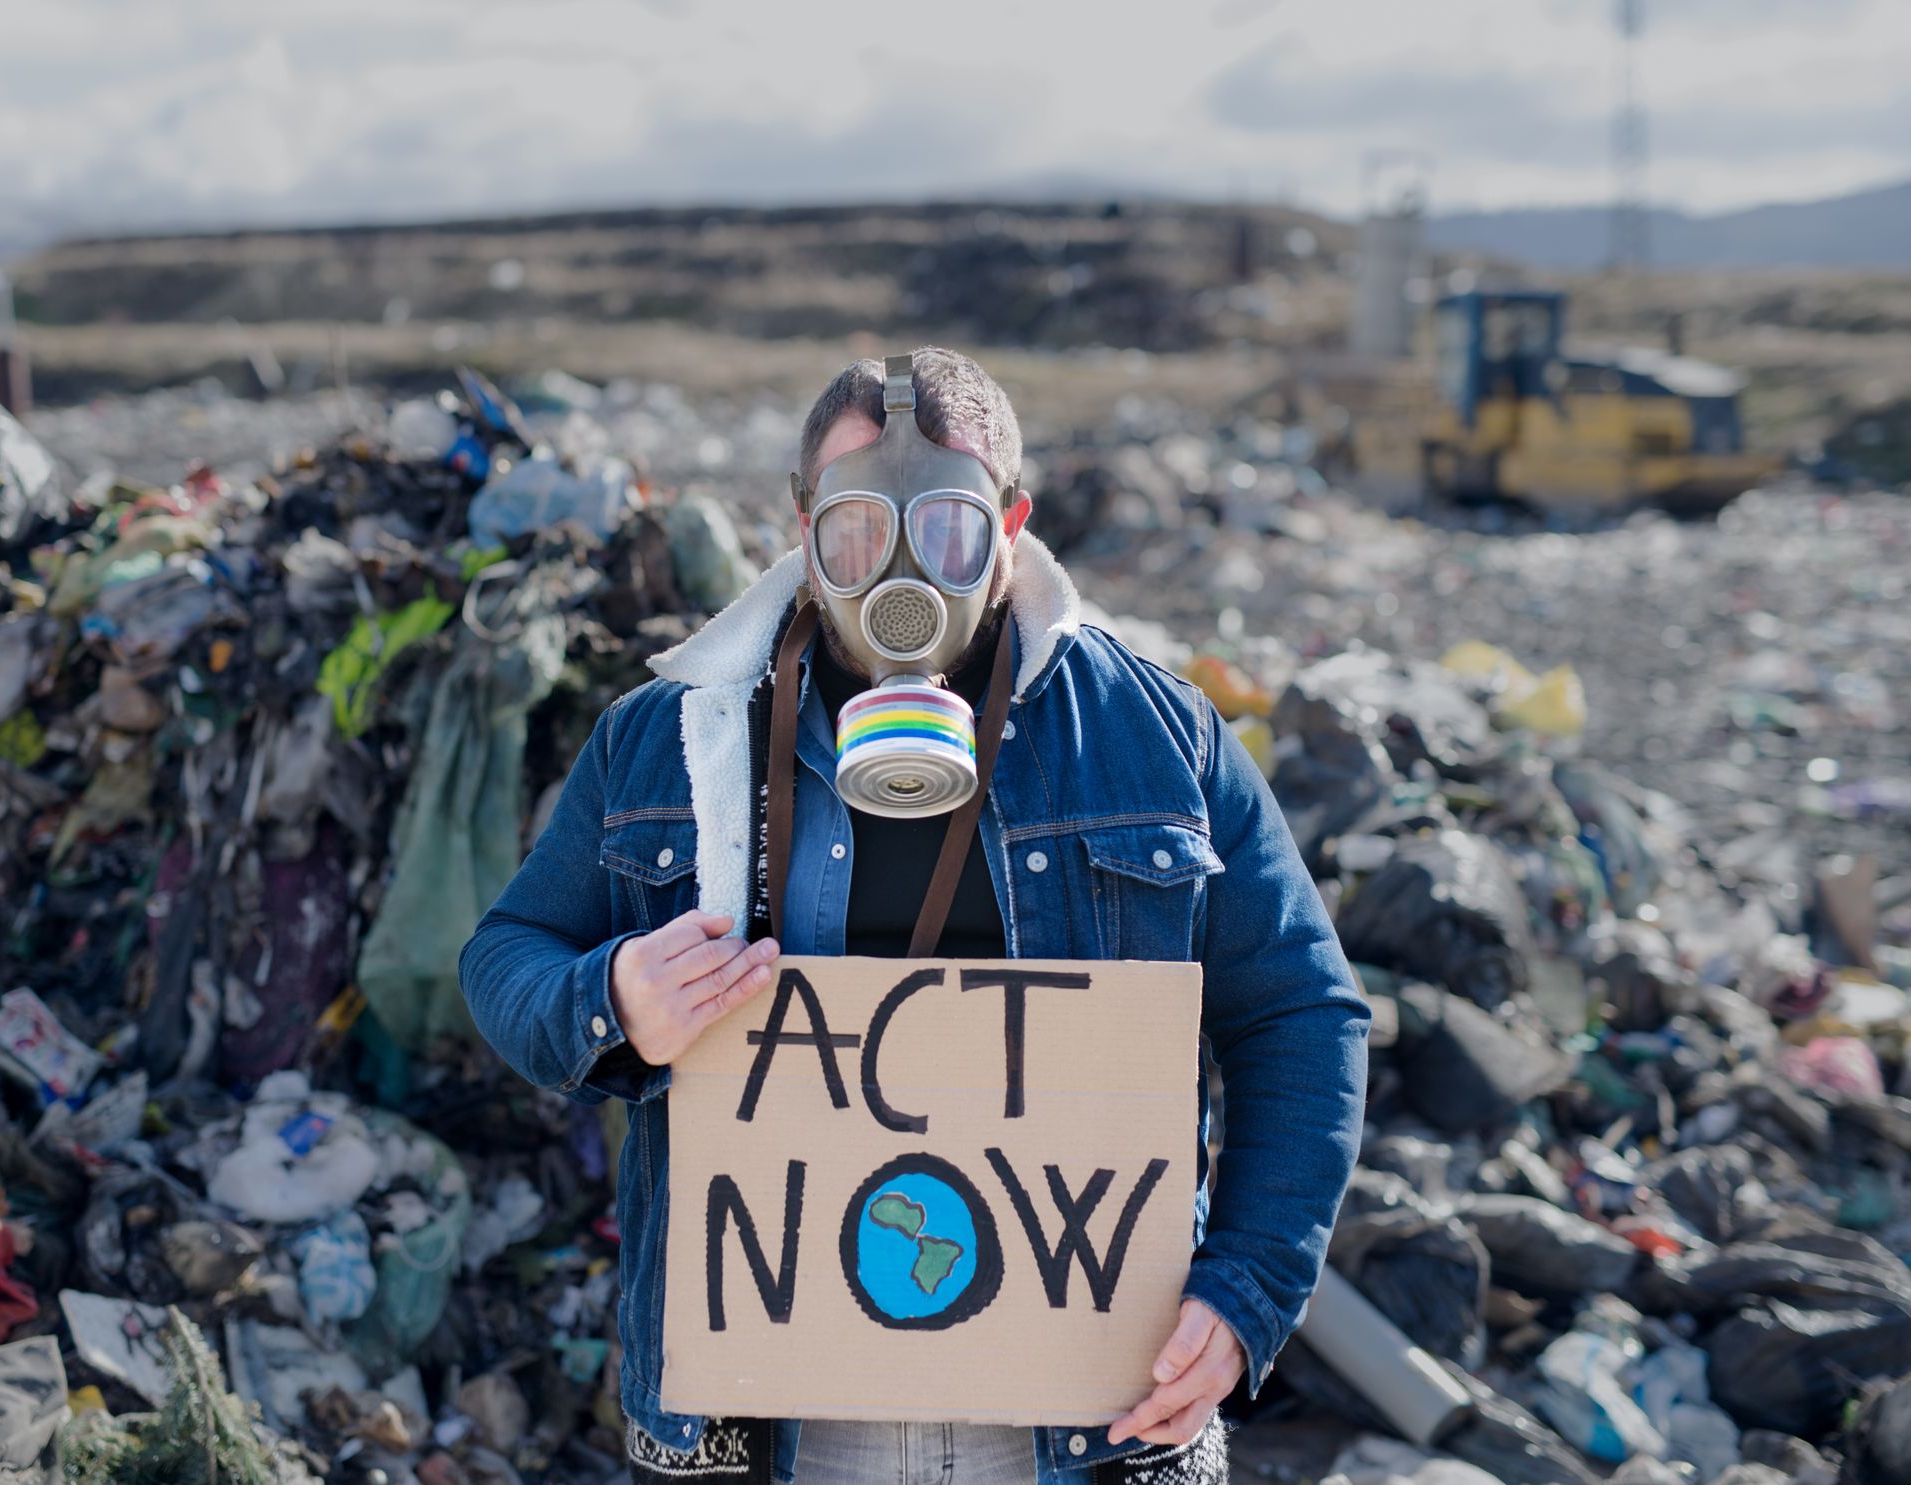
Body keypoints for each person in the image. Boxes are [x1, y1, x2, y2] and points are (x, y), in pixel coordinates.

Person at [461, 347, 1369, 1485]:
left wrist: (1244, 1286)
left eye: (946, 530)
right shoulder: (666, 740)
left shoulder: (1153, 738)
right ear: (800, 528)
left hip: (1084, 1410)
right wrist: (611, 1003)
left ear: (1013, 521)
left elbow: (1299, 1011)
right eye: (853, 532)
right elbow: (505, 956)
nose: (899, 577)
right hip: (778, 1418)